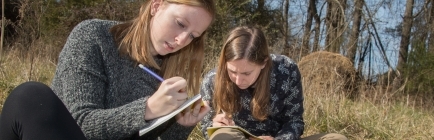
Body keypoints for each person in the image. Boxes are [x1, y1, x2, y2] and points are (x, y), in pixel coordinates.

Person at [0, 0, 216, 139]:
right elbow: (80, 123)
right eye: (180, 23)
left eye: (193, 36)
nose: (182, 40)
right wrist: (147, 109)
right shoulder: (94, 36)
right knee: (29, 96)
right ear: (156, 6)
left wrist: (181, 125)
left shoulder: (166, 74)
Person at [199, 26, 348, 140]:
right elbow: (206, 126)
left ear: (264, 62)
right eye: (232, 71)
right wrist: (214, 127)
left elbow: (295, 121)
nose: (238, 80)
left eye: (246, 73)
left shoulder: (286, 70)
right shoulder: (212, 79)